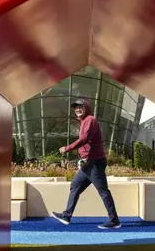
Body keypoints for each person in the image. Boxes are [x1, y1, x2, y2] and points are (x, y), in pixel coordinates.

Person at [51, 98, 121, 229]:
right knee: (75, 186)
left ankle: (114, 220)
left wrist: (67, 148)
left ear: (86, 108)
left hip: (94, 163)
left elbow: (84, 139)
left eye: (80, 107)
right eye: (76, 108)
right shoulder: (84, 122)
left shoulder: (90, 120)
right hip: (87, 164)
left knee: (103, 191)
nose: (78, 109)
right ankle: (67, 215)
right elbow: (87, 144)